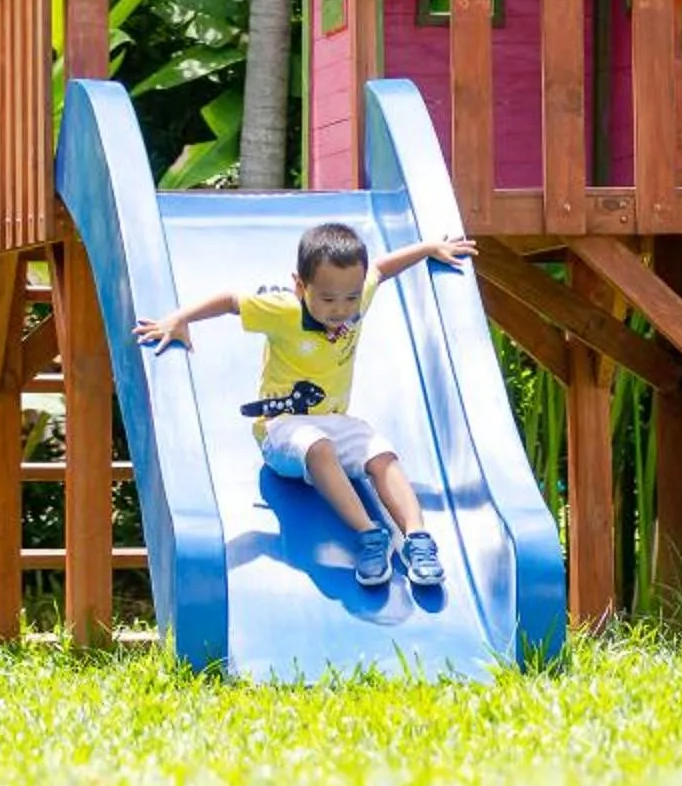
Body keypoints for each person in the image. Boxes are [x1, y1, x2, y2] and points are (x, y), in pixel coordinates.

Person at [132, 221, 476, 588]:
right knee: (319, 446)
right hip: (281, 429)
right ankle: (370, 536)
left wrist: (427, 248)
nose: (341, 309)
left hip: (334, 420)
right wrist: (180, 318)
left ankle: (417, 539)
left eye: (350, 297)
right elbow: (232, 301)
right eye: (328, 299)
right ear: (300, 286)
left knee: (382, 454)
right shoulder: (284, 311)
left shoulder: (357, 296)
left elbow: (379, 269)